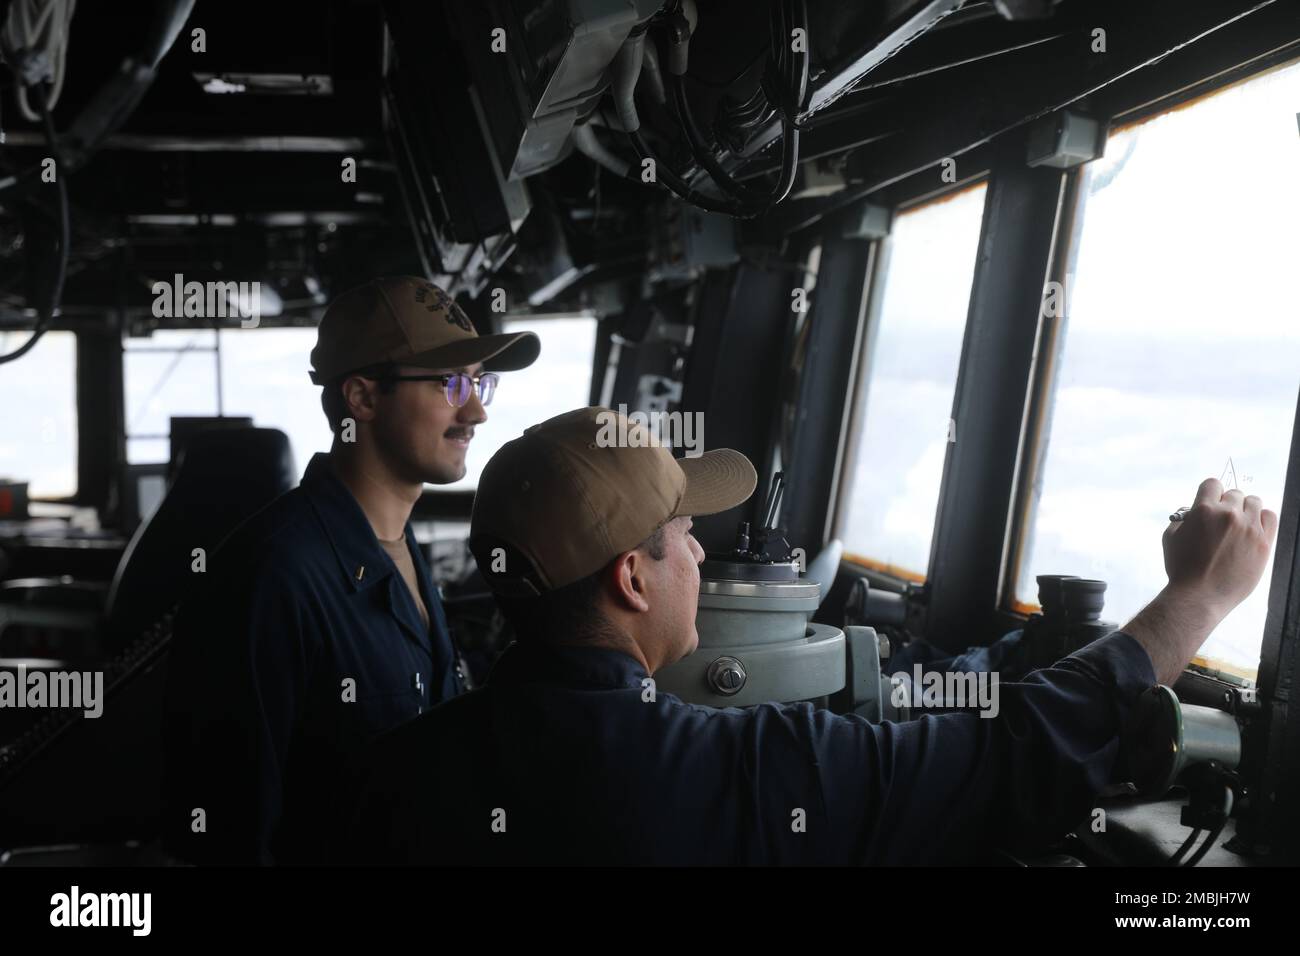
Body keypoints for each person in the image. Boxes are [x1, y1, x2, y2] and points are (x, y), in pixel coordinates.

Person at [349, 405, 1276, 865]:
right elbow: (1006, 761)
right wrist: (1196, 598)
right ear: (632, 579)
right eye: (684, 540)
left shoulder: (394, 771)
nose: (700, 563)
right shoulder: (714, 772)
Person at [163, 276, 539, 865]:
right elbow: (231, 829)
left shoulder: (396, 545)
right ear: (361, 399)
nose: (476, 411)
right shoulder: (272, 574)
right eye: (450, 382)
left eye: (479, 382)